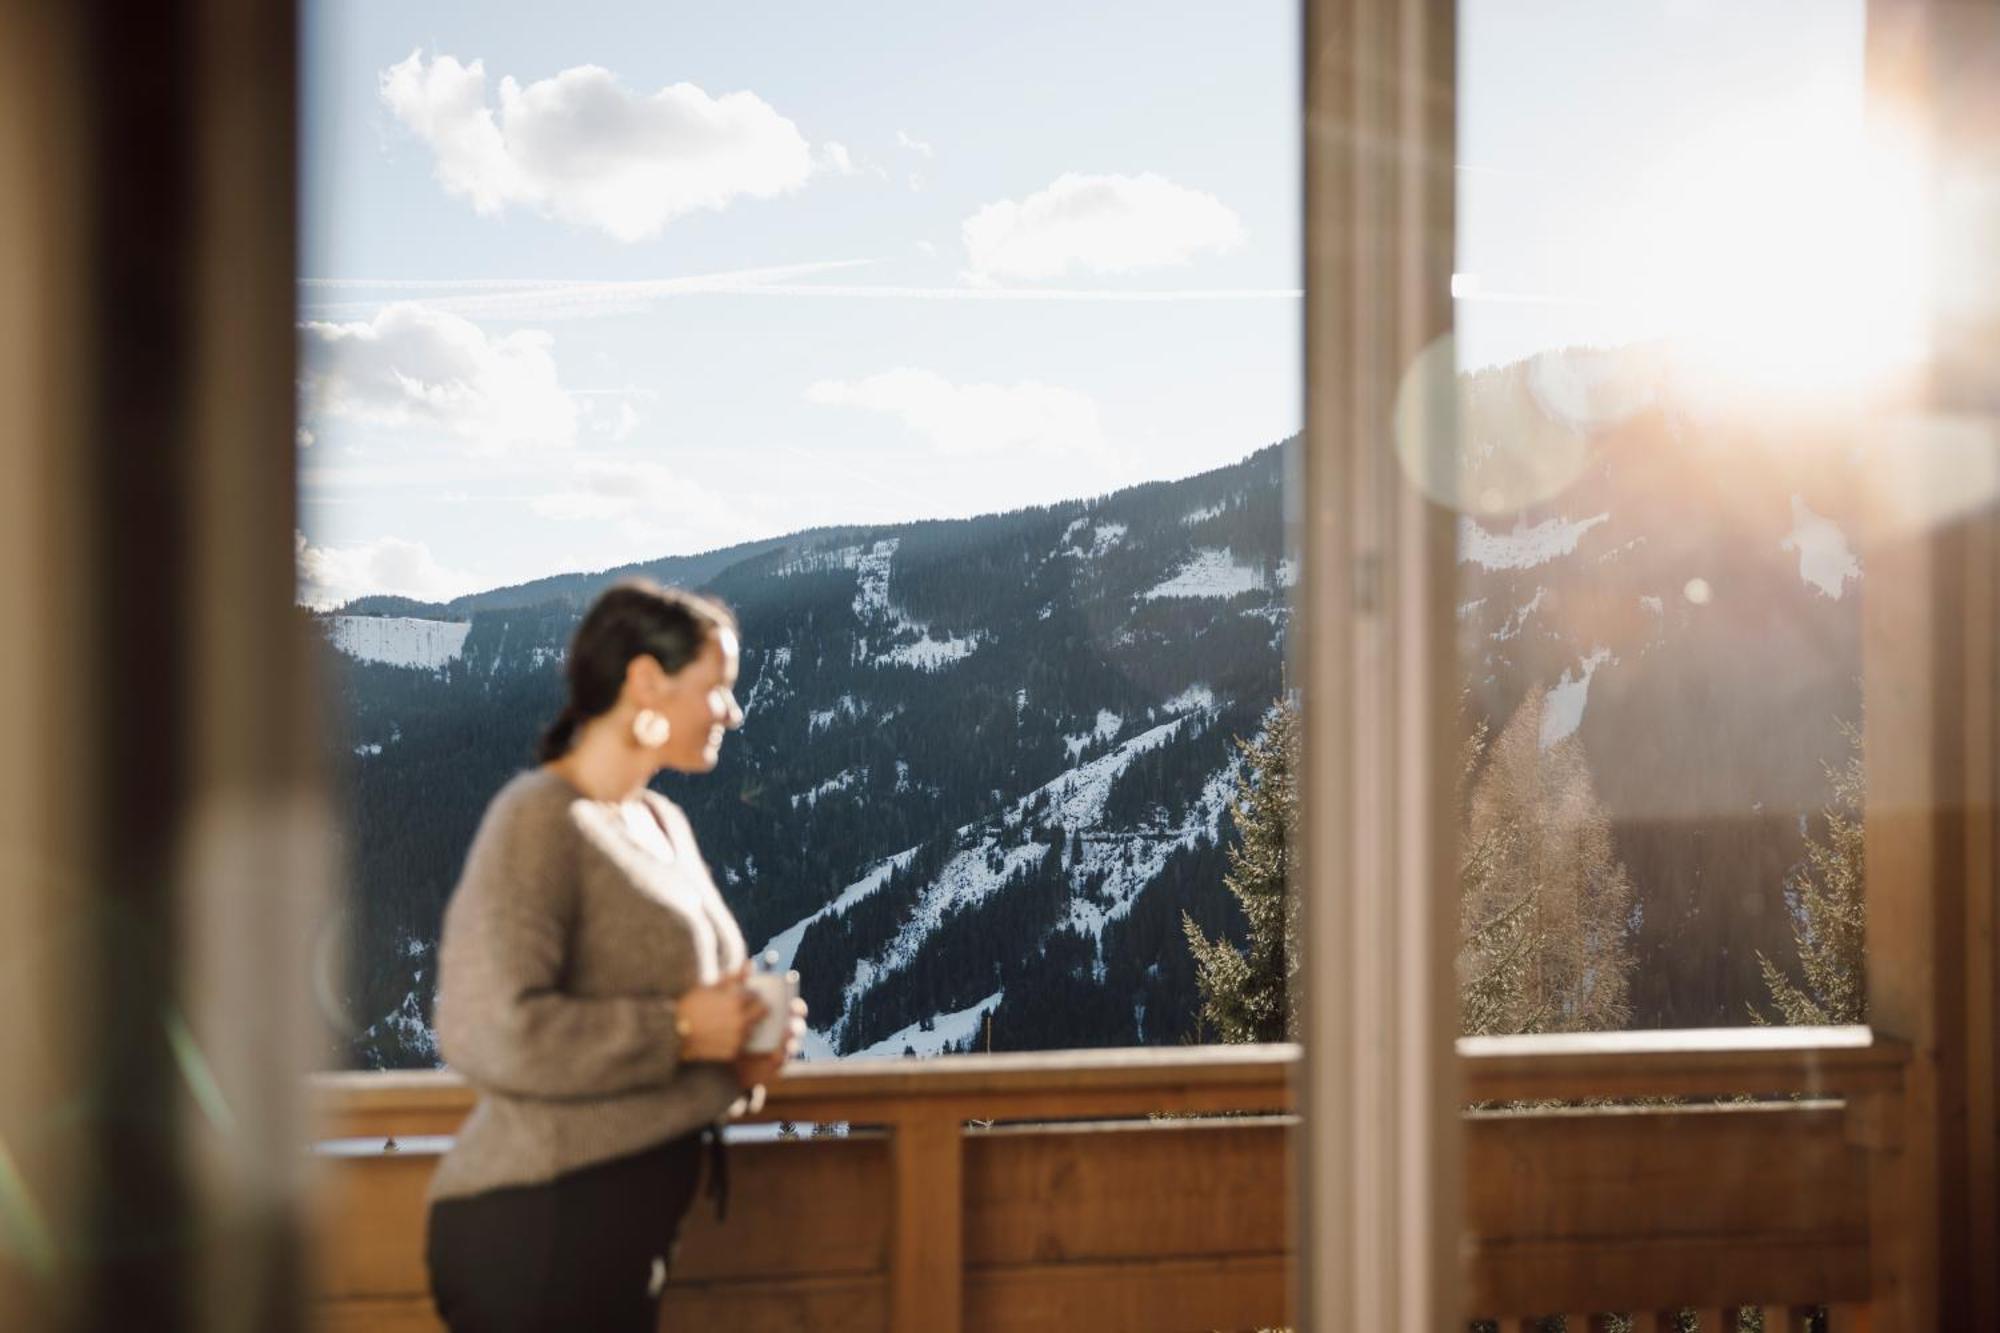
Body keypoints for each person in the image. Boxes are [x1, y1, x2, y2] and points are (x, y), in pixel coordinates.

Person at [424, 580, 804, 1333]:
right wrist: (685, 1033)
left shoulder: (659, 820)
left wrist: (738, 1061)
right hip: (537, 1226)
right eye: (718, 688)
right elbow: (484, 1030)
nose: (733, 710)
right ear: (644, 681)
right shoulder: (539, 819)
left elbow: (675, 1026)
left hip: (619, 1228)